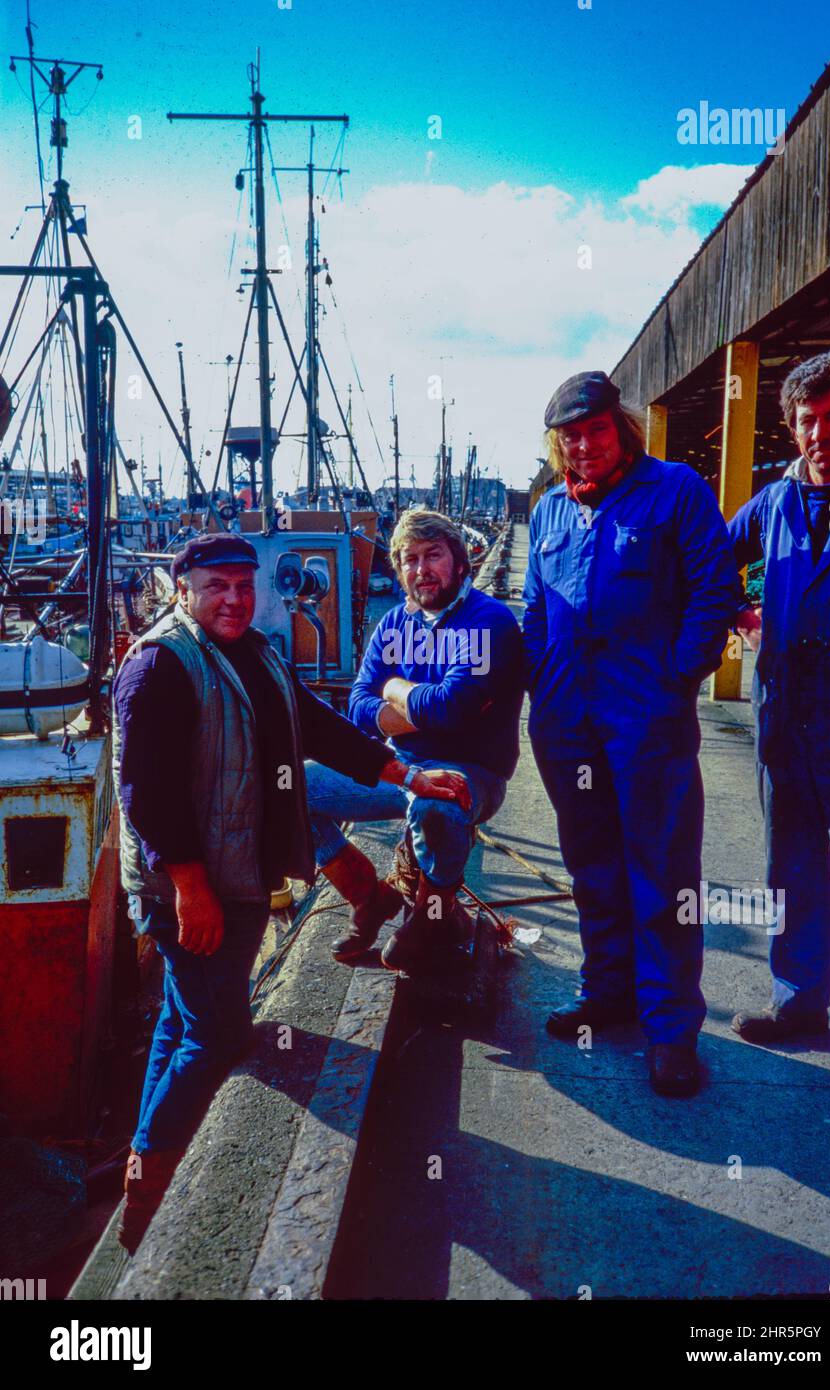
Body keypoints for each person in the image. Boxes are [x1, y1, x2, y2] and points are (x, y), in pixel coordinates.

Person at [113, 531, 460, 1253]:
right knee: (217, 1037)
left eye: (244, 586)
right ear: (185, 590)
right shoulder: (159, 665)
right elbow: (146, 797)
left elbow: (325, 731)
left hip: (237, 873)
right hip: (197, 886)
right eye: (217, 587)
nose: (234, 599)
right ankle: (149, 1193)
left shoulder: (259, 652)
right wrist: (189, 887)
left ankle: (141, 1162)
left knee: (182, 1023)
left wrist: (407, 777)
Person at [523, 371, 741, 1097]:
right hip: (564, 721)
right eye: (569, 436)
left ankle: (671, 1030)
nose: (583, 445)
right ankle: (607, 992)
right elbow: (532, 614)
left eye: (594, 429)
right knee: (591, 865)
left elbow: (716, 588)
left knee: (661, 873)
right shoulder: (549, 511)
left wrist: (677, 677)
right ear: (557, 445)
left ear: (620, 426)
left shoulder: (674, 488)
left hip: (644, 718)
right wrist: (533, 690)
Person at [306, 509, 525, 972]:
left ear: (460, 562)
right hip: (400, 769)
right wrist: (421, 707)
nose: (421, 569)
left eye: (433, 555)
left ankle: (431, 916)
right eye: (409, 559)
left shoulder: (489, 622)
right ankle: (369, 897)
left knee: (437, 810)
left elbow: (450, 708)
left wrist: (393, 688)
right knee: (291, 787)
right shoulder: (394, 626)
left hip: (472, 772)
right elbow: (358, 709)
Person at [730, 350, 830, 1044]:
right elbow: (708, 562)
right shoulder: (774, 501)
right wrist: (740, 612)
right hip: (784, 720)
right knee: (791, 871)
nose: (820, 433)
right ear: (791, 429)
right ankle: (798, 1005)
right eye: (807, 420)